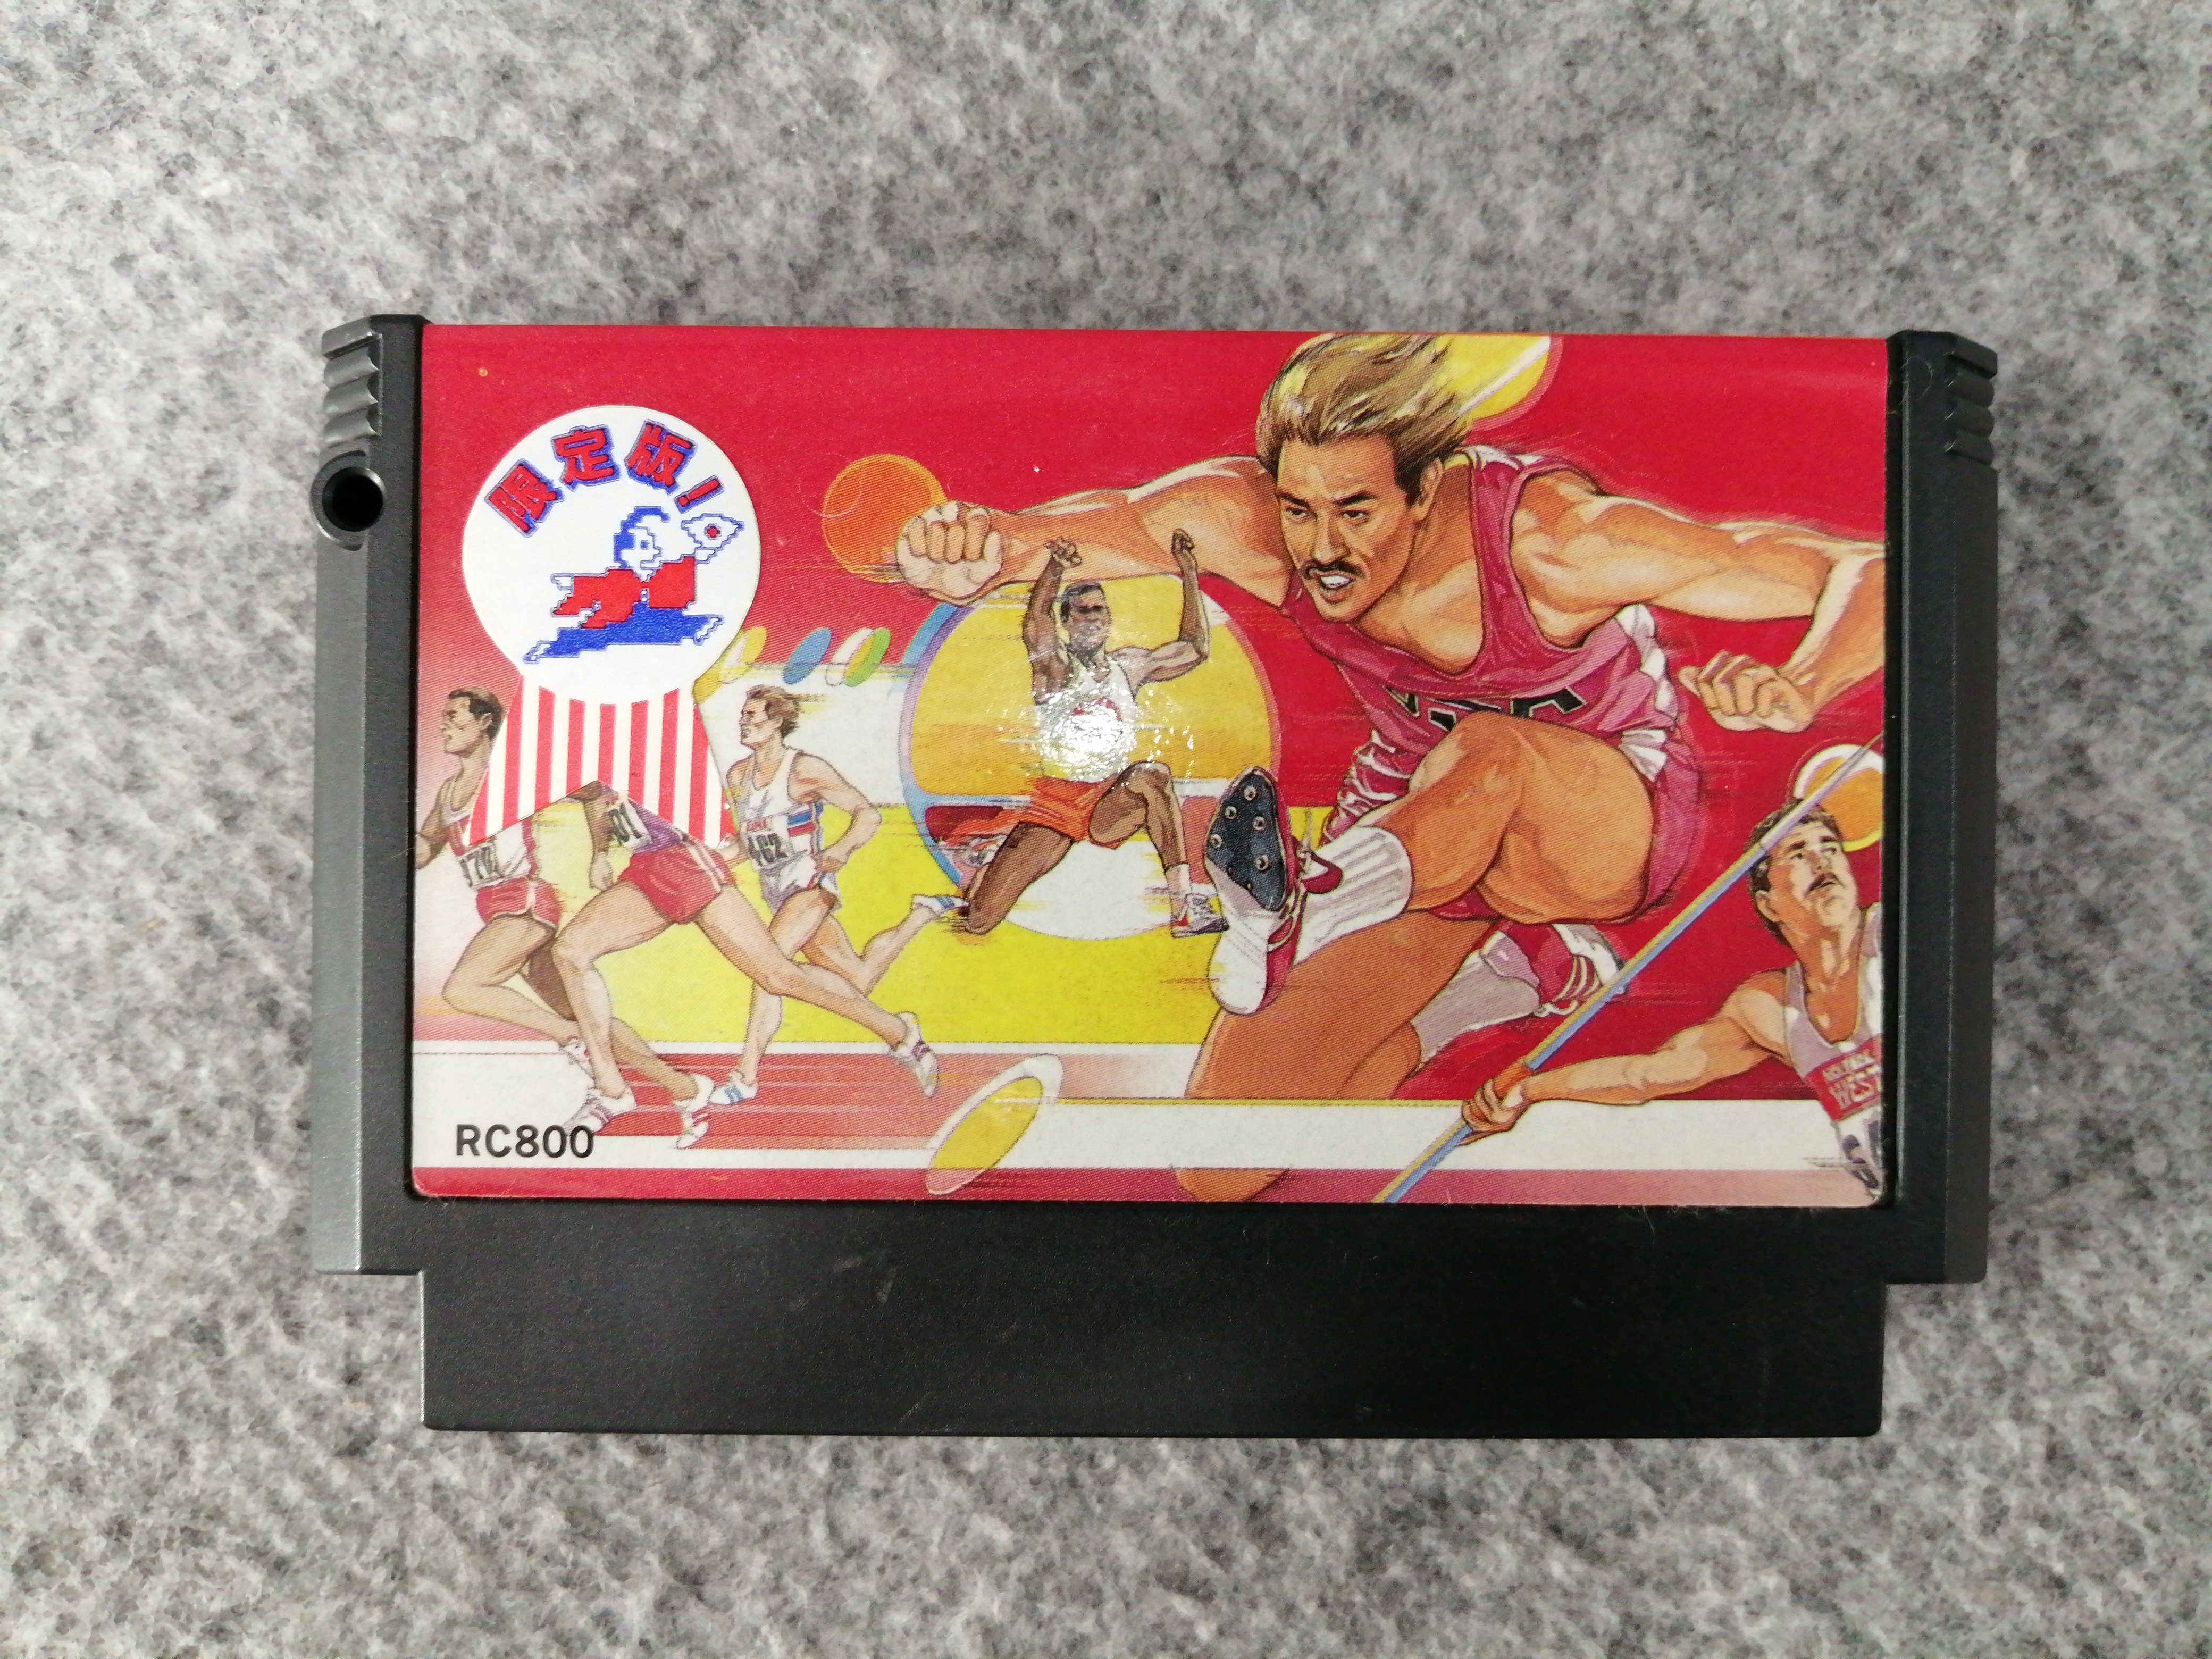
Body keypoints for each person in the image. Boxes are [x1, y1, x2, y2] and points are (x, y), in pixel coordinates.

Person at [892, 332, 1884, 1100]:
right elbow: (1069, 535)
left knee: (1490, 749)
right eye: (1299, 509)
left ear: (1424, 491)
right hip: (1419, 820)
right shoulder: (1252, 522)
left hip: (1599, 816)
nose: (1322, 549)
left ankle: (1304, 907)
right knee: (1236, 1142)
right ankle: (1508, 979)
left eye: (1355, 512)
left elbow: (1867, 570)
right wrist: (974, 551)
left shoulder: (1555, 542)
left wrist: (1804, 684)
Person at [1463, 806, 1884, 1194]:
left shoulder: (1890, 937)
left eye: (1831, 848)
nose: (1822, 861)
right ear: (1769, 904)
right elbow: (1645, 1075)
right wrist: (1528, 1090)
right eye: (1798, 853)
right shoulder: (1767, 1008)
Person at [549, 787, 937, 1145]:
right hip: (647, 868)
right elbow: (593, 795)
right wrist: (600, 852)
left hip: (687, 862)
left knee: (778, 977)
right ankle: (612, 1089)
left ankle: (899, 1032)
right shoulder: (594, 760)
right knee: (571, 951)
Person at [412, 688, 714, 1120]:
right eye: (442, 716)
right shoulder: (447, 793)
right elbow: (427, 847)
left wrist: (599, 854)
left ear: (484, 723)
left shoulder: (514, 772)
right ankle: (685, 1088)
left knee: (462, 989)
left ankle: (575, 1042)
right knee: (585, 1012)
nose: (443, 723)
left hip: (524, 900)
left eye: (454, 715)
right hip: (494, 906)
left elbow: (594, 792)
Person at [952, 532, 1228, 940]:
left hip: (1108, 800)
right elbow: (1036, 624)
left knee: (1152, 776)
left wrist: (1188, 570)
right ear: (1067, 622)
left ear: (1109, 618)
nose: (1093, 618)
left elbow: (1195, 647)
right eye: (1082, 612)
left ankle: (1183, 905)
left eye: (1099, 610)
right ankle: (987, 865)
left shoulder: (1129, 666)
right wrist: (1055, 569)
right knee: (977, 922)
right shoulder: (1056, 668)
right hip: (1058, 802)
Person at [706, 684, 958, 1123]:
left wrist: (841, 849)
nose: (743, 723)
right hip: (776, 892)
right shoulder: (737, 775)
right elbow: (748, 844)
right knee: (857, 980)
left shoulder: (805, 769)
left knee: (768, 970)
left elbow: (868, 815)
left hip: (810, 885)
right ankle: (921, 914)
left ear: (777, 721)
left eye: (753, 716)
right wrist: (715, 858)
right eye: (743, 716)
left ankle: (745, 1075)